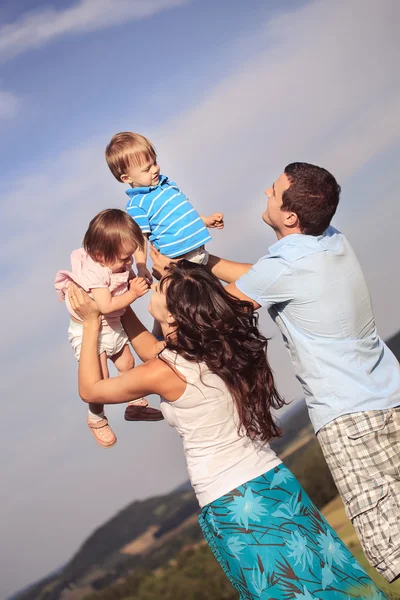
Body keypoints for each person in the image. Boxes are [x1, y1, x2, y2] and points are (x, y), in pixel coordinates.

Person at [68, 261, 388, 599]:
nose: (155, 284)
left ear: (174, 316)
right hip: (273, 481)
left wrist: (91, 322)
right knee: (332, 581)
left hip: (236, 501)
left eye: (161, 286)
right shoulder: (216, 351)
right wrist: (120, 307)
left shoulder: (165, 370)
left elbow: (92, 389)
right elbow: (150, 349)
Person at [151, 161, 400, 583]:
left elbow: (217, 311)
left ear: (289, 215)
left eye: (272, 191)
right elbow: (259, 278)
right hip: (391, 397)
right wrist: (202, 259)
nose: (265, 193)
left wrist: (171, 281)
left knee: (391, 544)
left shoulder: (285, 265)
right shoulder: (330, 242)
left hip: (350, 418)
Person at [54, 209, 163, 449]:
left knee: (126, 363)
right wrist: (133, 293)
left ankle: (134, 404)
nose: (129, 263)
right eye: (125, 259)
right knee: (100, 379)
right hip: (90, 329)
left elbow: (136, 253)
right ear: (101, 255)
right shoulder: (97, 272)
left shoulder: (118, 263)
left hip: (112, 323)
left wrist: (141, 272)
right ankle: (96, 418)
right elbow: (105, 305)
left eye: (130, 257)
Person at [105, 131, 224, 285]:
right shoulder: (137, 204)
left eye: (154, 162)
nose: (155, 169)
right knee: (202, 294)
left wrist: (205, 220)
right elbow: (140, 237)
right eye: (147, 169)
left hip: (197, 250)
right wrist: (141, 266)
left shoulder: (166, 184)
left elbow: (183, 211)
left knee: (213, 288)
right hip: (178, 259)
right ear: (127, 178)